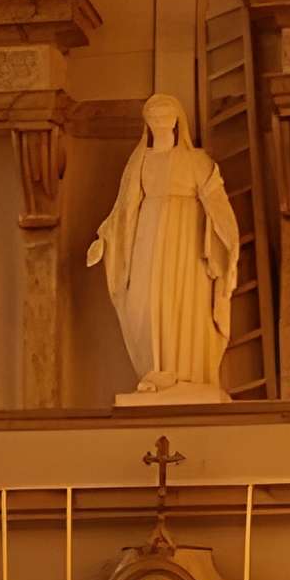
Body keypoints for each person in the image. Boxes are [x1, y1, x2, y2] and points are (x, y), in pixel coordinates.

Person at [89, 95, 240, 400]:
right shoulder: (139, 163)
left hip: (188, 241)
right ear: (146, 122)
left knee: (184, 301)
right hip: (147, 238)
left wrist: (229, 238)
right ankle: (155, 370)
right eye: (154, 116)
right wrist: (104, 240)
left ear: (177, 119)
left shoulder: (197, 161)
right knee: (144, 303)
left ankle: (188, 374)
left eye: (166, 115)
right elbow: (123, 210)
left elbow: (217, 203)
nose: (160, 121)